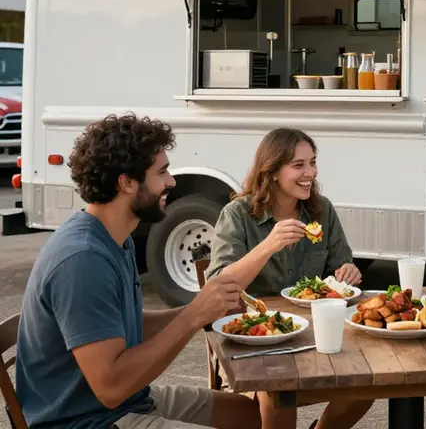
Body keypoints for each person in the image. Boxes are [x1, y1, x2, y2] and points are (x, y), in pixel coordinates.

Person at [15, 113, 261, 429]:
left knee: (250, 415)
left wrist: (202, 310)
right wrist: (193, 316)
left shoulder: (116, 237)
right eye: (162, 172)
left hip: (129, 401)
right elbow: (111, 388)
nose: (171, 181)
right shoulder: (82, 260)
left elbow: (122, 326)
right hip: (87, 420)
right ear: (127, 182)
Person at [207, 127, 372, 429]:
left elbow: (342, 268)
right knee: (280, 392)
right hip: (259, 339)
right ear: (270, 172)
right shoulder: (238, 215)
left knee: (366, 385)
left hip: (313, 333)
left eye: (312, 162)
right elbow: (218, 285)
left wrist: (348, 273)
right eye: (298, 165)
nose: (310, 172)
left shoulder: (321, 211)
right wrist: (269, 244)